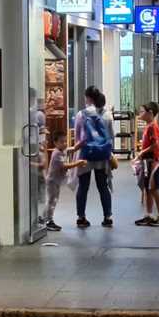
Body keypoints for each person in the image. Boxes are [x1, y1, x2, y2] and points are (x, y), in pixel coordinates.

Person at [72, 86, 114, 228]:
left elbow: (78, 136)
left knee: (83, 187)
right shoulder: (107, 115)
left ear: (88, 98)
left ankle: (81, 217)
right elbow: (111, 136)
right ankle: (107, 217)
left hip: (85, 155)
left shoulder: (81, 114)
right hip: (102, 155)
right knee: (103, 186)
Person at [42, 131, 86, 232]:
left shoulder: (62, 150)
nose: (65, 144)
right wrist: (77, 163)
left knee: (53, 200)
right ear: (55, 143)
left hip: (56, 182)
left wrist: (80, 144)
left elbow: (72, 149)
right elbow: (64, 166)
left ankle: (45, 218)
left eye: (65, 141)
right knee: (52, 201)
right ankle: (48, 221)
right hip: (52, 182)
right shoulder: (56, 154)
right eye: (62, 142)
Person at [134, 102, 159, 227]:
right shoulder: (149, 126)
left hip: (153, 162)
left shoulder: (153, 127)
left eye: (142, 111)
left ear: (150, 113)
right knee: (148, 189)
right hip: (147, 162)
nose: (140, 114)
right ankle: (148, 215)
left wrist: (141, 152)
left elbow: (155, 145)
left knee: (153, 189)